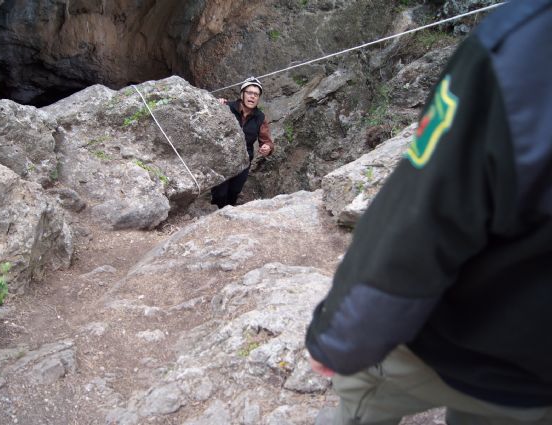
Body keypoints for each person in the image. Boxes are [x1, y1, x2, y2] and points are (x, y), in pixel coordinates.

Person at [305, 1, 552, 424]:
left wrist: (342, 339)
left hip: (448, 342)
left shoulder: (523, 47)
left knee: (359, 406)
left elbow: (418, 217)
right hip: (536, 382)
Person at [211, 77, 274, 208]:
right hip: (223, 159)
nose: (252, 97)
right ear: (242, 94)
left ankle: (231, 215)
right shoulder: (226, 107)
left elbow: (266, 140)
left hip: (243, 161)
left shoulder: (260, 117)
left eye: (256, 94)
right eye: (249, 93)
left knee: (234, 192)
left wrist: (267, 147)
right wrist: (215, 105)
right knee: (220, 194)